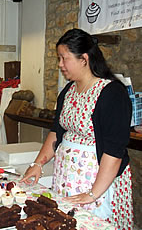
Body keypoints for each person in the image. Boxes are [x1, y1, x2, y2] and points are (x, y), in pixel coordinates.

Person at [20, 28, 133, 229]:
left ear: (84, 59)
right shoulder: (68, 91)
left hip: (98, 182)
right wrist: (37, 165)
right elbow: (57, 132)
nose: (60, 64)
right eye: (59, 58)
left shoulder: (111, 93)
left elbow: (114, 151)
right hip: (67, 178)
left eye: (64, 58)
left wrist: (93, 194)